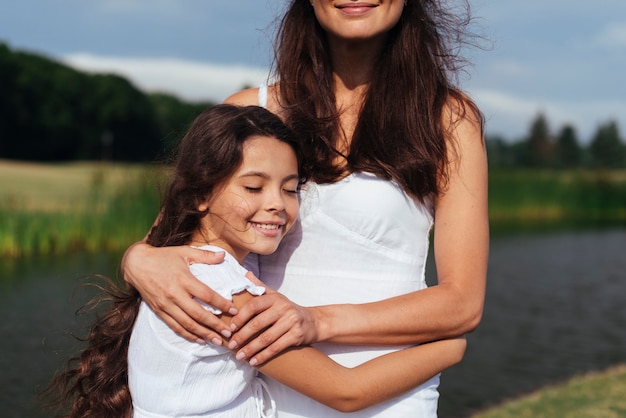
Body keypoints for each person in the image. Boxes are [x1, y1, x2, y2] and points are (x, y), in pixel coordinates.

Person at [123, 0, 489, 416]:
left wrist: (319, 322)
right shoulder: (250, 110)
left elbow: (462, 303)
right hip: (260, 395)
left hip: (388, 390)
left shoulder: (448, 119)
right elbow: (172, 241)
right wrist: (136, 258)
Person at [46, 105, 466, 418]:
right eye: (253, 186)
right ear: (200, 194)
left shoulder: (187, 270)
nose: (276, 206)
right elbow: (347, 391)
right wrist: (449, 347)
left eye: (289, 189)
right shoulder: (224, 293)